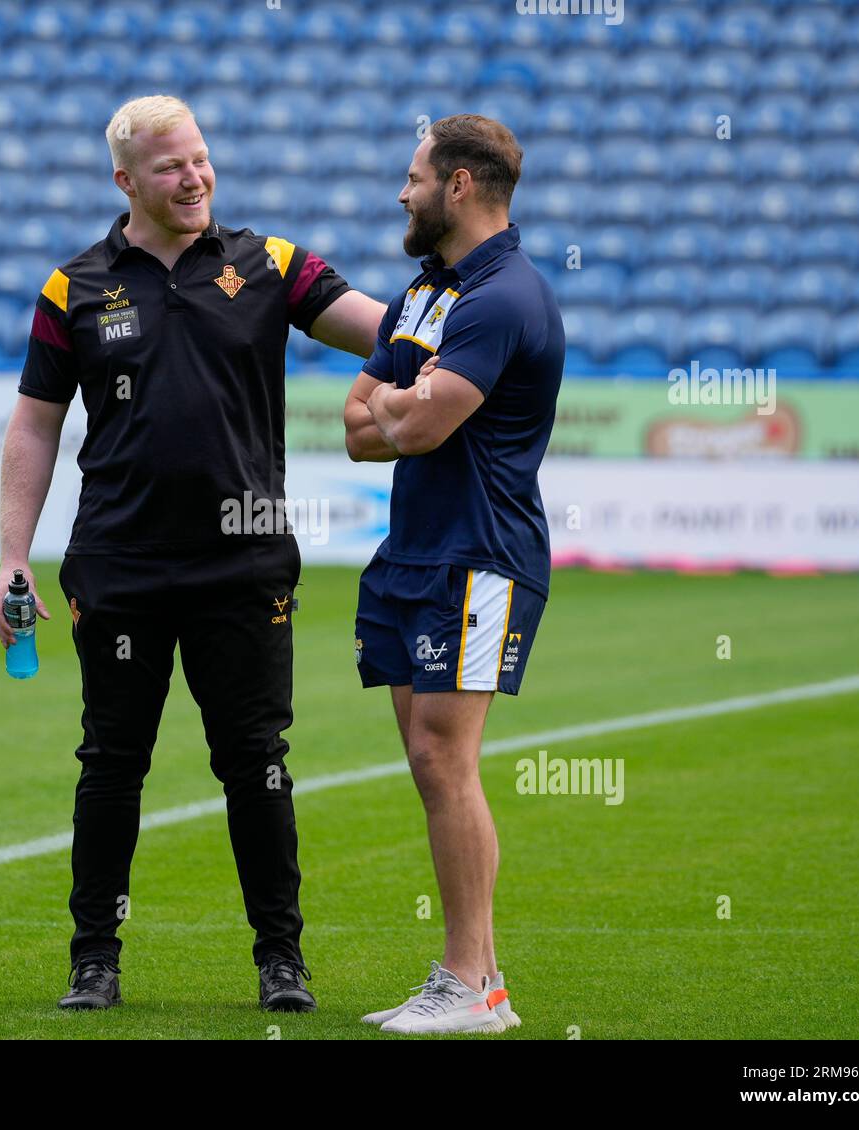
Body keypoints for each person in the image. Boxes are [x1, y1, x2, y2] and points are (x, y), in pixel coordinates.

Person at [0, 95, 385, 1013]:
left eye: (201, 158)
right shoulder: (72, 288)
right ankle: (95, 960)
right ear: (126, 181)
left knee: (257, 762)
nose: (195, 176)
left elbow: (383, 329)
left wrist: (468, 317)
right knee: (111, 763)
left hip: (244, 564)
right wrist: (13, 555)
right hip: (119, 564)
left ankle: (281, 961)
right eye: (172, 166)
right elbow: (34, 427)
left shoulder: (274, 266)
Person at [343, 115, 565, 1034]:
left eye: (414, 177)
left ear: (460, 185)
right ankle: (480, 982)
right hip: (412, 554)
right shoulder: (424, 293)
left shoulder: (505, 296)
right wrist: (402, 404)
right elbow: (356, 428)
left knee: (444, 758)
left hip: (480, 556)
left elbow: (415, 428)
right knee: (428, 762)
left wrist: (399, 407)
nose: (403, 193)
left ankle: (469, 984)